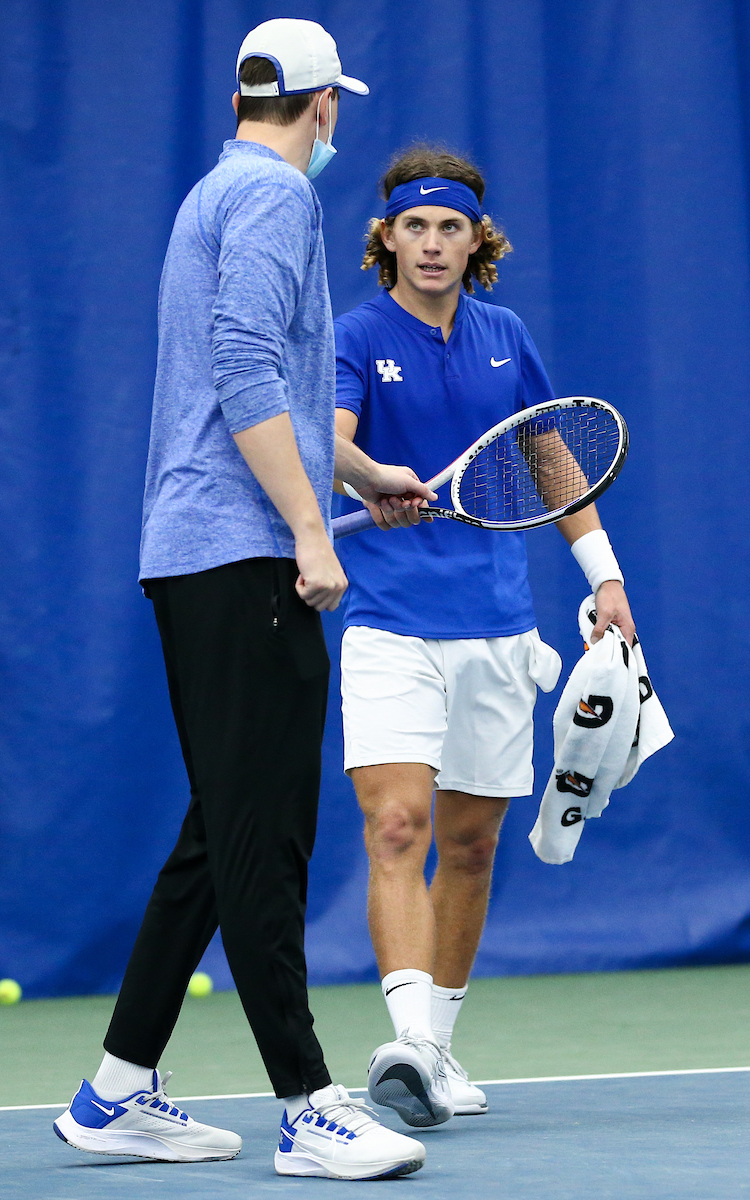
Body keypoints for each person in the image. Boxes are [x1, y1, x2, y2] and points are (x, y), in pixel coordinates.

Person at [53, 20, 434, 1182]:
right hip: (242, 556)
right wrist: (311, 531)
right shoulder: (274, 199)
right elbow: (241, 369)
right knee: (264, 836)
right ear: (324, 107)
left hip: (203, 552)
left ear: (241, 101)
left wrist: (361, 475)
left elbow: (265, 380)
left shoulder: (214, 192)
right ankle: (308, 1106)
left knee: (222, 830)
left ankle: (117, 1089)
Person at [333, 146, 636, 1128]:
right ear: (387, 239)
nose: (432, 243)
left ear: (476, 242)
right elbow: (327, 441)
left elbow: (552, 460)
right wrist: (368, 476)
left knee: (468, 844)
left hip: (499, 630)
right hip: (390, 628)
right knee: (396, 826)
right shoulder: (354, 335)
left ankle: (437, 1049)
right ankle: (408, 1045)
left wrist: (605, 580)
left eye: (450, 228)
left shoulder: (505, 335)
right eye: (414, 227)